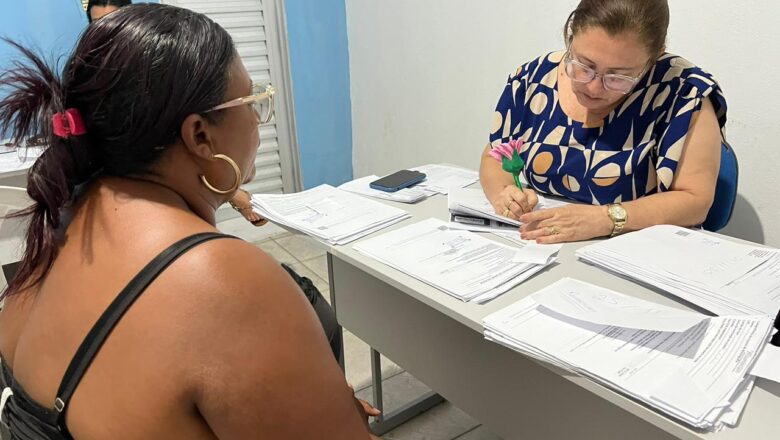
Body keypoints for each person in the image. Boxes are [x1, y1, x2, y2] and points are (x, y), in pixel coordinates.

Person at [0, 4, 378, 439]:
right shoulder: (221, 283)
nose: (257, 118)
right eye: (251, 101)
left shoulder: (62, 222)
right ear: (200, 135)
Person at [479, 0, 726, 244]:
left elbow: (695, 202)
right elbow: (497, 155)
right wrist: (505, 194)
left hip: (634, 248)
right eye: (584, 66)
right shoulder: (534, 79)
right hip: (540, 245)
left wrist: (606, 218)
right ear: (571, 35)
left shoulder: (683, 94)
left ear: (655, 57)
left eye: (618, 77)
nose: (594, 87)